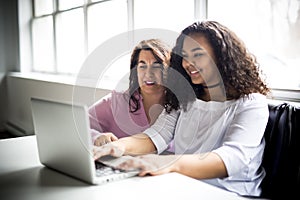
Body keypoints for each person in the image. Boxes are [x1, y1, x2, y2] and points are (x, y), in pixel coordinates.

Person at [93, 21, 270, 197]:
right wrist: (116, 146)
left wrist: (170, 163)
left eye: (198, 54)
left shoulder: (251, 103)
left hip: (231, 193)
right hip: (184, 186)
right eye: (184, 56)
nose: (188, 63)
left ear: (223, 56)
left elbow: (233, 158)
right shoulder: (187, 98)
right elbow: (155, 136)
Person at [89, 39, 171, 148]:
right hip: (121, 164)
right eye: (142, 66)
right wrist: (96, 137)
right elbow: (76, 126)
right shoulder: (117, 101)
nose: (148, 73)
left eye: (156, 66)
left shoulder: (179, 107)